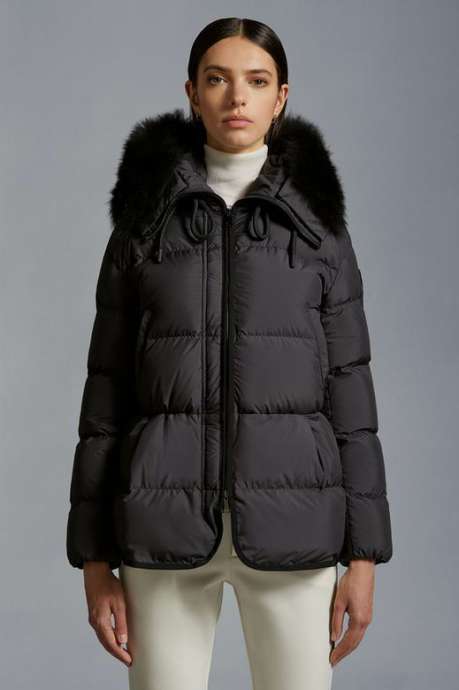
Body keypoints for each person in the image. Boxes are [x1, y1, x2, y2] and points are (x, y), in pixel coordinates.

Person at [66, 17, 393, 690]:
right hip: (159, 530)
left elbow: (351, 394)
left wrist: (363, 557)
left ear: (280, 96)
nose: (236, 97)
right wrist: (94, 561)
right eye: (217, 79)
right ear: (192, 92)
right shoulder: (143, 224)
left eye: (256, 81)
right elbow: (105, 396)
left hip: (294, 532)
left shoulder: (318, 229)